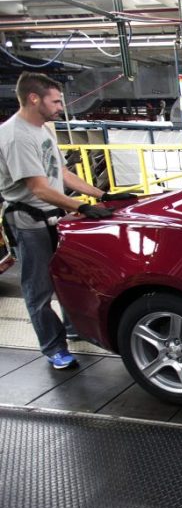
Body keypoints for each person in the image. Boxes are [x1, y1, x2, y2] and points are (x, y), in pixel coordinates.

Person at [0, 72, 131, 370]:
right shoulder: (16, 136)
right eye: (56, 101)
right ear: (34, 99)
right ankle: (54, 347)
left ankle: (74, 328)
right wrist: (82, 207)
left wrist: (103, 194)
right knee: (39, 290)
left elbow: (62, 173)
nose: (61, 107)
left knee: (67, 278)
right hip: (29, 222)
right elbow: (39, 188)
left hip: (54, 217)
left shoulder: (42, 130)